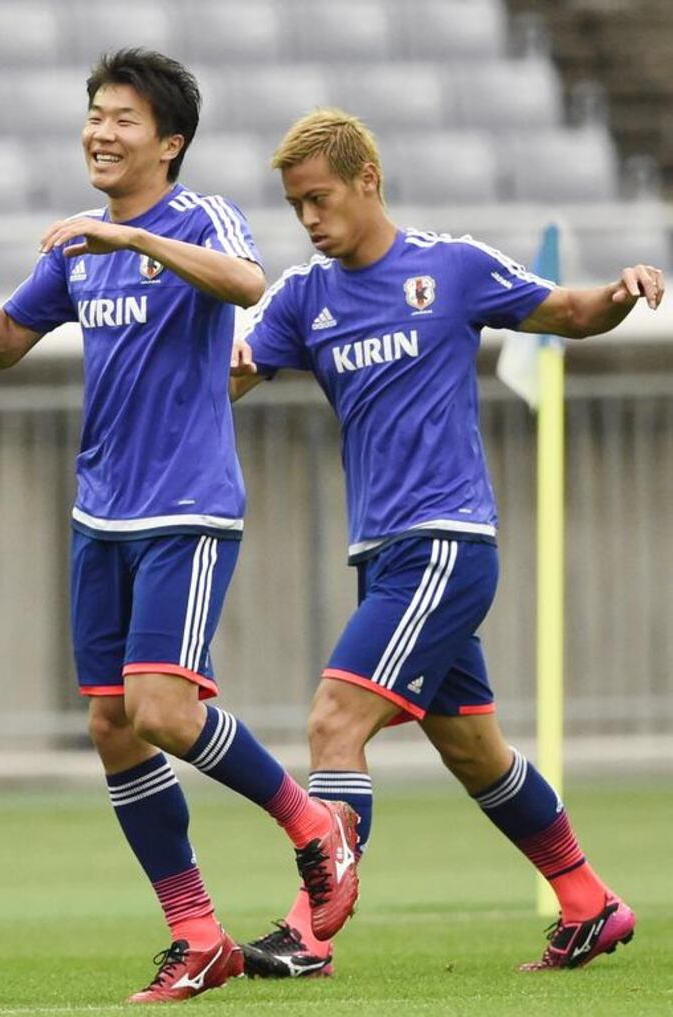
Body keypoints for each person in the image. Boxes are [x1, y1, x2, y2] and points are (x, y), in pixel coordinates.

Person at [0, 54, 359, 1005]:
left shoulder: (197, 218)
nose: (100, 133)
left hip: (185, 507)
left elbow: (246, 281)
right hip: (98, 513)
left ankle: (315, 826)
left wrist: (128, 236)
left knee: (161, 709)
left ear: (170, 142)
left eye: (122, 119)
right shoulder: (77, 249)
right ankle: (198, 936)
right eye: (95, 116)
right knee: (112, 724)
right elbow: (3, 346)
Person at [231, 107, 665, 977]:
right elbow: (233, 373)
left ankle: (310, 929)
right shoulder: (304, 295)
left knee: (333, 719)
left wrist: (618, 294)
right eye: (295, 207)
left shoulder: (451, 267)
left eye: (319, 200)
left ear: (367, 182)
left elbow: (569, 311)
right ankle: (589, 904)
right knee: (473, 749)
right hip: (384, 555)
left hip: (446, 544)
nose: (309, 221)